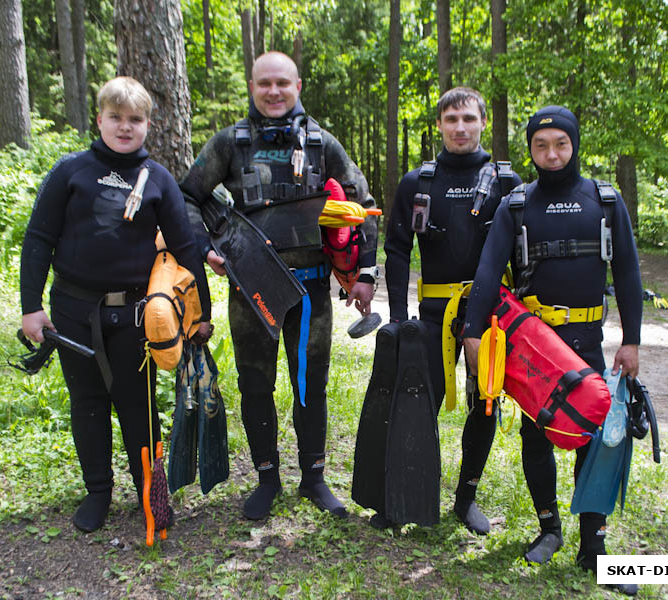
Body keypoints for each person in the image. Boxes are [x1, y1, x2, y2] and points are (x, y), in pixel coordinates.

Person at [180, 51, 378, 521]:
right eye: (264, 83)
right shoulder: (229, 143)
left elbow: (363, 205)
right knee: (255, 384)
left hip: (311, 292)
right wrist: (204, 249)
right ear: (252, 86)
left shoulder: (322, 143)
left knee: (311, 384)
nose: (273, 91)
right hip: (253, 292)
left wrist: (365, 273)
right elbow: (187, 197)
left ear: (298, 86)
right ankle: (267, 479)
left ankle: (313, 478)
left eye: (282, 84)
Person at [462, 106, 642, 596]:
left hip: (588, 343)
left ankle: (593, 546)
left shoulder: (605, 200)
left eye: (560, 144)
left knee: (596, 440)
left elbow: (627, 272)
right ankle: (549, 528)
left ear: (575, 144)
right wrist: (472, 332)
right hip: (538, 348)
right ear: (531, 149)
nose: (551, 154)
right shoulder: (516, 205)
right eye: (541, 146)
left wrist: (631, 340)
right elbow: (485, 272)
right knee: (536, 435)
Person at [20, 76, 212, 533]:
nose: (125, 127)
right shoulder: (71, 172)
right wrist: (31, 307)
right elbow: (39, 238)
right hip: (71, 311)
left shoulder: (160, 180)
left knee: (137, 405)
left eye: (136, 120)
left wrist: (199, 315)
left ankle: (149, 491)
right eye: (116, 118)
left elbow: (185, 249)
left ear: (148, 124)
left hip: (134, 315)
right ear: (100, 118)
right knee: (87, 403)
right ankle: (98, 493)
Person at [383, 87, 521, 533]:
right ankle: (405, 496)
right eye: (451, 119)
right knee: (418, 403)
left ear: (483, 122)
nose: (460, 127)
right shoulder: (417, 182)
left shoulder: (507, 183)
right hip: (433, 313)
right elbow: (398, 250)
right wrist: (401, 318)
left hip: (491, 315)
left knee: (484, 405)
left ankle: (466, 499)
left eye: (468, 118)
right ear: (439, 124)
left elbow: (523, 256)